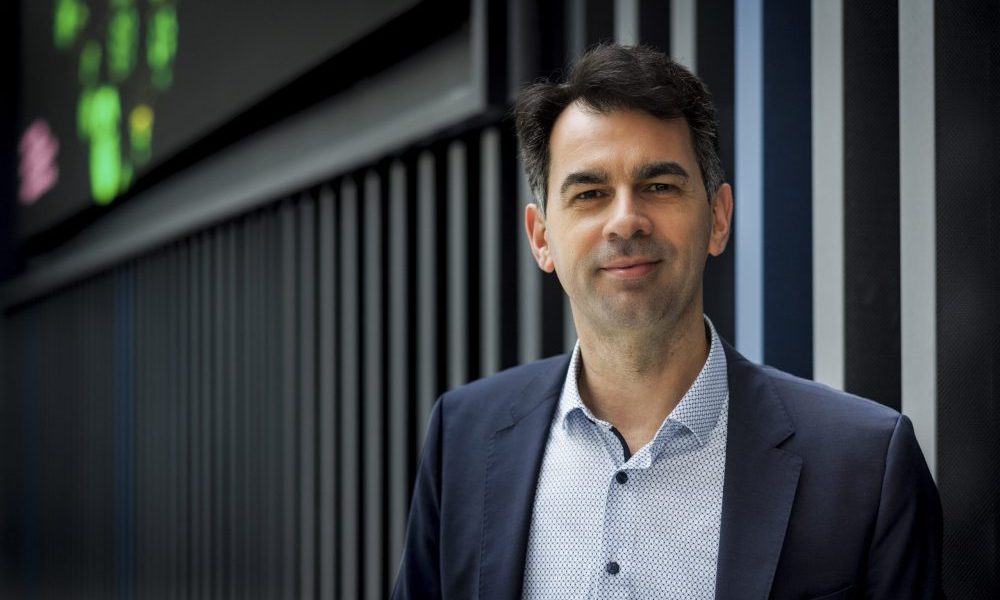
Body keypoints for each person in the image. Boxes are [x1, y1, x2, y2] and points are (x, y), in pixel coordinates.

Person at [392, 44, 943, 599]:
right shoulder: (462, 437)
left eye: (659, 186)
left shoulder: (864, 464)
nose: (626, 219)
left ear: (718, 218)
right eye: (590, 194)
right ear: (542, 239)